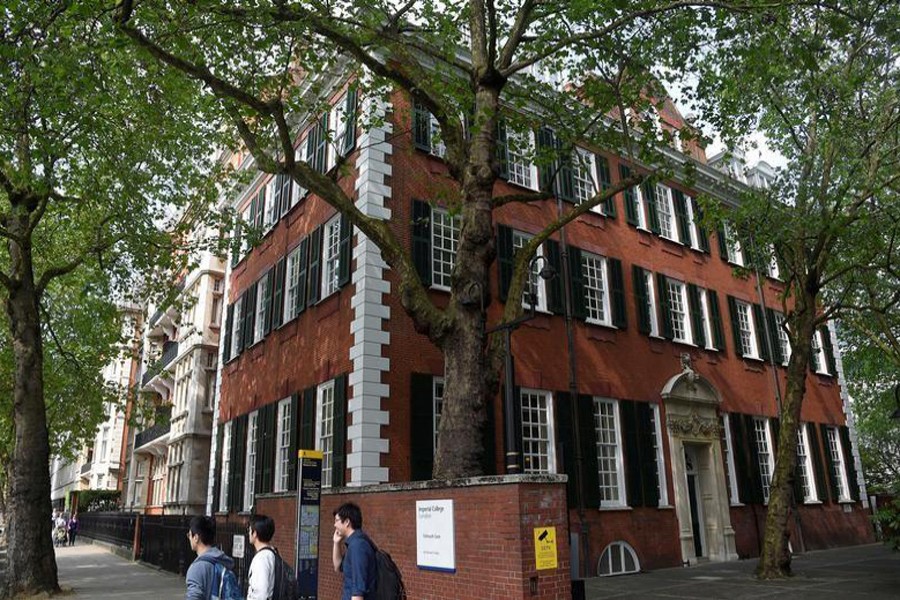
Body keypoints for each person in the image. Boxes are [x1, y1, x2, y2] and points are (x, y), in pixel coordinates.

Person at [332, 502, 376, 600]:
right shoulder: (354, 544)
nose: (334, 525)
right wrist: (336, 543)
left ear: (347, 522)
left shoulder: (358, 546)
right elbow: (337, 567)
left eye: (337, 520)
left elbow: (358, 590)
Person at [184, 515, 235, 600]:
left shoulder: (197, 568)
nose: (189, 538)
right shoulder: (223, 561)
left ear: (196, 538)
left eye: (189, 535)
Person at [246, 514, 277, 600]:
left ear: (255, 533)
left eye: (249, 530)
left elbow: (261, 594)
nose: (248, 533)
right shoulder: (272, 554)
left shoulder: (261, 559)